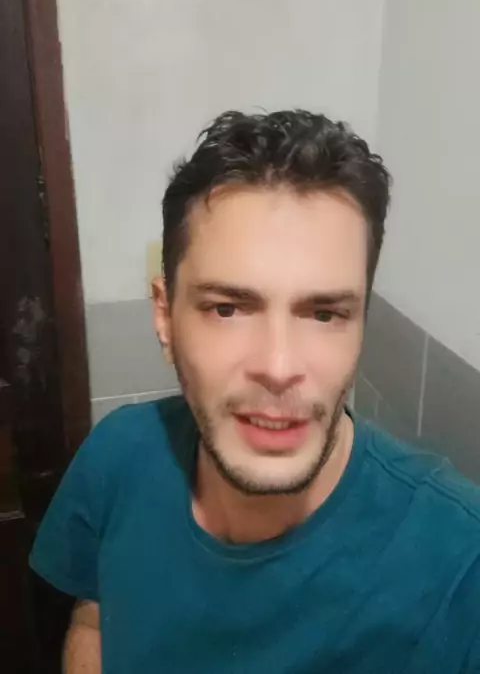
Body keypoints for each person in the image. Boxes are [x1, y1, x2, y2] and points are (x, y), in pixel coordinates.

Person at [30, 110, 480, 674]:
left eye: (324, 313)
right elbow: (94, 617)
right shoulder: (116, 457)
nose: (278, 367)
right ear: (165, 317)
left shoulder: (459, 565)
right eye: (227, 309)